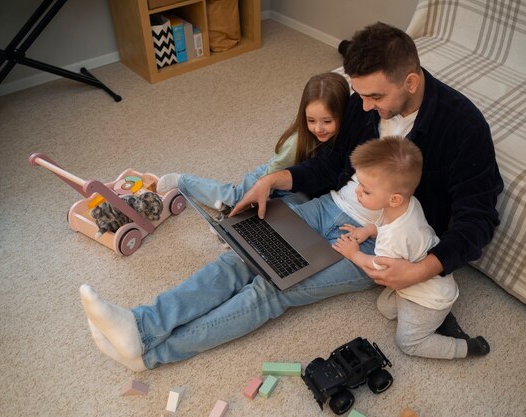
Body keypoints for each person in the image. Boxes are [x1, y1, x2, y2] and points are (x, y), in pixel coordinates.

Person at [79, 22, 503, 372]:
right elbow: (334, 163)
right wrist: (277, 179)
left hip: (381, 241)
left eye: (376, 96)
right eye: (362, 95)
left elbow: (479, 218)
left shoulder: (462, 126)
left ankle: (150, 354)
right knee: (240, 257)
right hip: (333, 205)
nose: (367, 107)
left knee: (273, 288)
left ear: (410, 81)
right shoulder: (362, 103)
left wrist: (418, 271)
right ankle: (141, 325)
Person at [332, 137, 489, 358]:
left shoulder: (393, 240)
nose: (357, 192)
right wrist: (368, 230)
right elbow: (385, 224)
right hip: (423, 283)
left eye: (366, 191)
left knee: (407, 343)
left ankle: (466, 348)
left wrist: (353, 253)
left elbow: (376, 269)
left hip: (429, 299)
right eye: (359, 184)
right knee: (385, 308)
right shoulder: (409, 204)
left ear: (394, 199)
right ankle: (439, 318)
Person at [156, 72, 350, 214]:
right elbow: (274, 171)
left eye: (327, 121)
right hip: (270, 175)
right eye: (311, 121)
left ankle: (236, 222)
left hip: (297, 189)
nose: (318, 129)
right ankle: (183, 181)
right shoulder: (297, 142)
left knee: (290, 213)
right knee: (236, 197)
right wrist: (261, 192)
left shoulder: (345, 142)